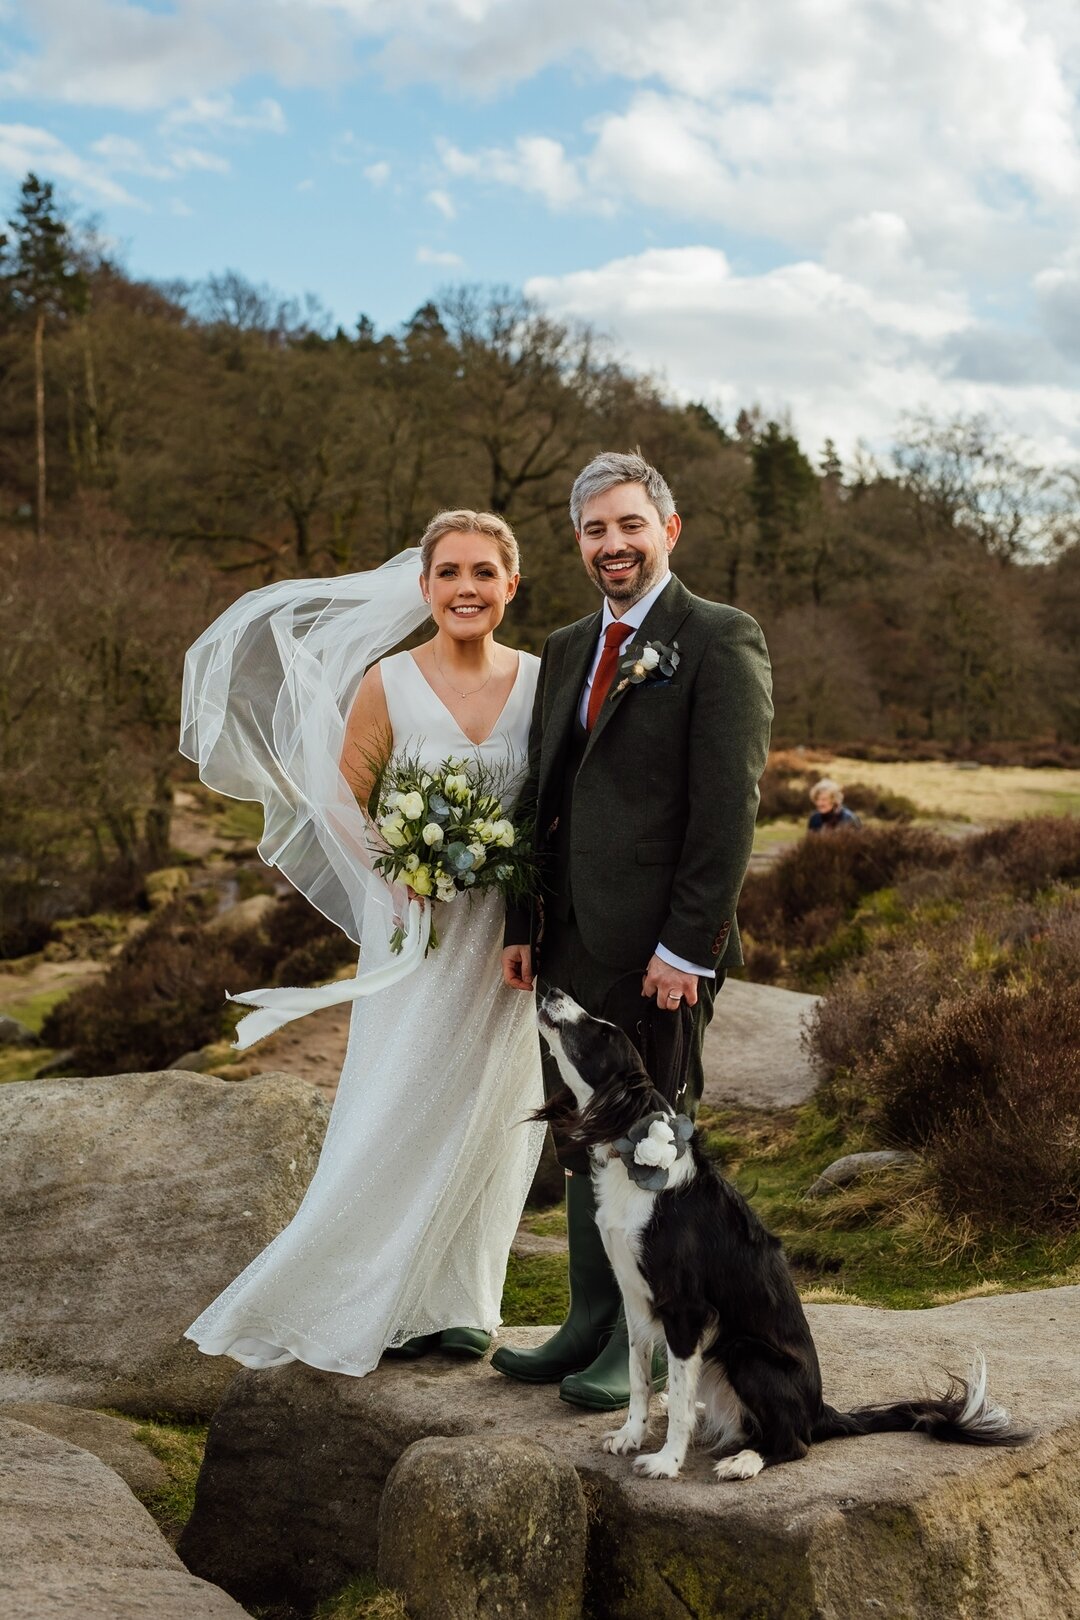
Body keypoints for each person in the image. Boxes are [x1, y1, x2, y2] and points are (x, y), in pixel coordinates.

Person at [181, 511, 544, 1375]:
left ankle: (459, 1302)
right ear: (424, 588)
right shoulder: (389, 680)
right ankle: (350, 1293)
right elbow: (346, 804)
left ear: (511, 586)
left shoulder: (541, 680)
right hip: (415, 926)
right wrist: (405, 872)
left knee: (494, 1114)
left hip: (506, 934)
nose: (466, 589)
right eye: (450, 573)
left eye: (484, 573)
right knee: (400, 1097)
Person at [493, 451, 773, 1411]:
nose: (612, 544)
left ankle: (645, 1350)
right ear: (578, 542)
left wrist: (688, 947)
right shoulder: (570, 645)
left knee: (652, 1136)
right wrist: (524, 919)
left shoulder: (719, 639)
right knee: (581, 1127)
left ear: (669, 529)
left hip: (661, 951)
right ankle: (586, 1321)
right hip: (570, 937)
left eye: (628, 525)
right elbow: (543, 793)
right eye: (594, 530)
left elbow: (727, 810)